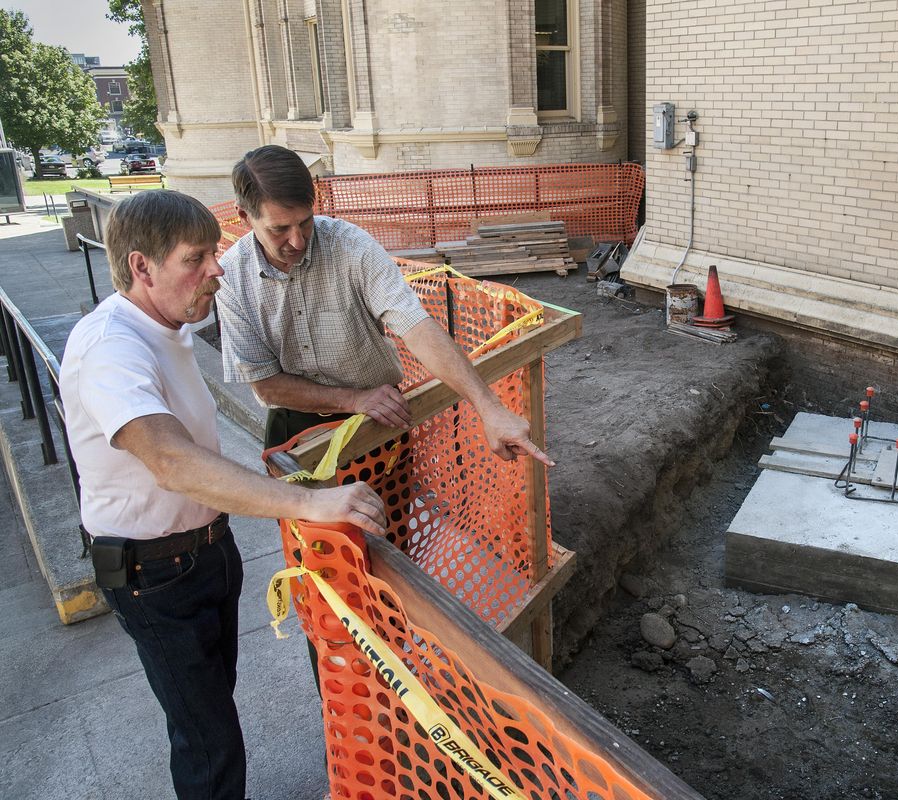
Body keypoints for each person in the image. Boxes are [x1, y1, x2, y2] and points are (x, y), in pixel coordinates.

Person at [61, 190, 389, 800]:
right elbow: (169, 458)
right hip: (153, 572)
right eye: (196, 259)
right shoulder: (111, 344)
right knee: (206, 739)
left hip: (203, 552)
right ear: (141, 267)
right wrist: (311, 503)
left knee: (214, 710)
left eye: (214, 252)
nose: (217, 269)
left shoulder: (166, 328)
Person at [214, 144, 555, 463]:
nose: (298, 240)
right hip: (297, 428)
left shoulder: (350, 246)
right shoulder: (230, 277)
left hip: (379, 418)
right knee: (308, 527)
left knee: (391, 523)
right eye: (279, 229)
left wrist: (490, 408)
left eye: (304, 222)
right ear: (244, 216)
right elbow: (265, 383)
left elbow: (416, 326)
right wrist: (353, 400)